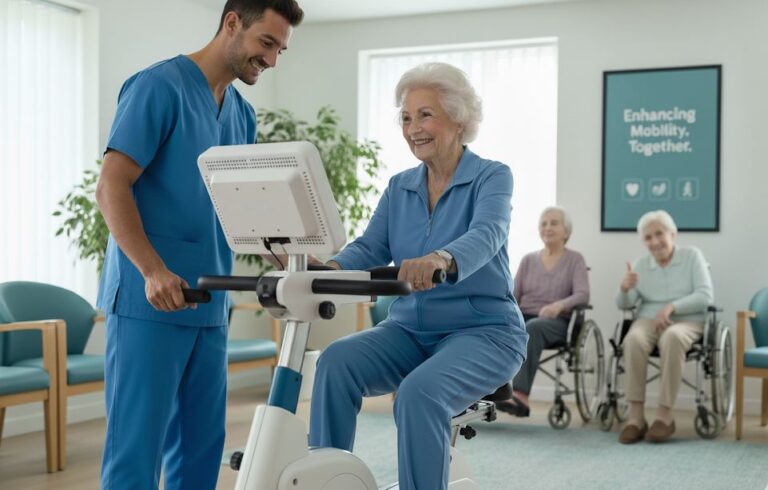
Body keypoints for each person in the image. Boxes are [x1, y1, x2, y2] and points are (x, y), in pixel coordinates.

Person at [94, 1, 303, 488]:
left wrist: (302, 261)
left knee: (200, 451)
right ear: (232, 23)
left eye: (280, 50)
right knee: (135, 453)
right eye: (266, 43)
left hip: (209, 302)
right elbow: (111, 186)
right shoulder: (157, 87)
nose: (271, 60)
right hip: (151, 302)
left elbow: (245, 213)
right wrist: (151, 270)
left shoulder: (241, 114)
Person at [308, 62, 528, 490]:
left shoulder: (492, 176)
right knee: (334, 362)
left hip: (485, 332)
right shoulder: (399, 186)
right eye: (406, 118)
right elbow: (370, 247)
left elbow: (488, 233)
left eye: (425, 114)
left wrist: (441, 258)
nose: (413, 128)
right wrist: (328, 270)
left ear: (459, 118)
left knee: (418, 393)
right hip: (408, 331)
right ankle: (328, 479)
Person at [616, 210, 713, 444]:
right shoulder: (641, 263)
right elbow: (625, 305)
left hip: (688, 320)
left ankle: (664, 416)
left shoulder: (692, 256)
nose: (654, 242)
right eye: (648, 238)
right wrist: (625, 289)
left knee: (672, 337)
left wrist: (672, 307)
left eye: (659, 234)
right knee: (633, 339)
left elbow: (705, 295)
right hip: (648, 319)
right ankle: (636, 418)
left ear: (673, 234)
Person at [495, 206, 589, 417]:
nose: (548, 228)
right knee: (492, 327)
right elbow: (513, 295)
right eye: (544, 224)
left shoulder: (575, 260)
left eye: (554, 223)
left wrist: (559, 305)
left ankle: (519, 395)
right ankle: (482, 390)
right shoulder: (528, 260)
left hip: (557, 322)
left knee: (533, 328)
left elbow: (582, 295)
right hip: (525, 316)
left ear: (567, 231)